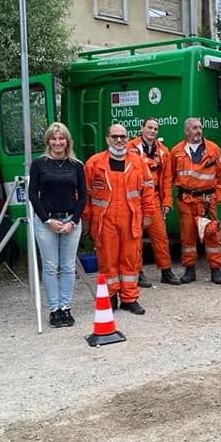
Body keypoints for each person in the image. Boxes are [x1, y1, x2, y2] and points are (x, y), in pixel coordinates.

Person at [82, 124, 156, 314]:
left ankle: (130, 298)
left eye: (123, 136)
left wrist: (148, 213)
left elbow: (148, 190)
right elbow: (85, 195)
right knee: (108, 260)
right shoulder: (94, 163)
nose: (119, 140)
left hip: (131, 218)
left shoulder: (138, 162)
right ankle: (111, 296)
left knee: (130, 259)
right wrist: (87, 218)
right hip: (104, 220)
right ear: (107, 139)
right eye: (115, 136)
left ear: (127, 138)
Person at [28, 122, 86, 328]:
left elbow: (83, 196)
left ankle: (66, 307)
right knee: (51, 267)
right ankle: (54, 310)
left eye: (61, 138)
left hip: (70, 220)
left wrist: (73, 221)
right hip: (46, 223)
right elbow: (33, 195)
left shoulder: (76, 165)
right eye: (53, 138)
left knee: (69, 266)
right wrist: (47, 220)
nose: (57, 142)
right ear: (48, 141)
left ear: (67, 141)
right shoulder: (39, 164)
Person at [170, 117, 221, 284]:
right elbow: (173, 175)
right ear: (186, 131)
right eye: (194, 128)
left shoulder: (214, 149)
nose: (198, 131)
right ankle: (189, 270)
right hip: (186, 201)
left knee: (212, 235)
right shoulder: (176, 151)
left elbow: (220, 174)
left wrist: (210, 193)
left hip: (207, 200)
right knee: (187, 237)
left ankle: (215, 270)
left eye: (200, 127)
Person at [128, 117, 181, 286]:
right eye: (149, 127)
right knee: (135, 238)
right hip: (135, 199)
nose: (152, 131)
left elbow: (167, 179)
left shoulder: (163, 152)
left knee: (161, 237)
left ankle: (166, 271)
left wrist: (167, 202)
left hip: (154, 199)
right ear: (142, 128)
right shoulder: (130, 148)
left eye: (155, 129)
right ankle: (138, 273)